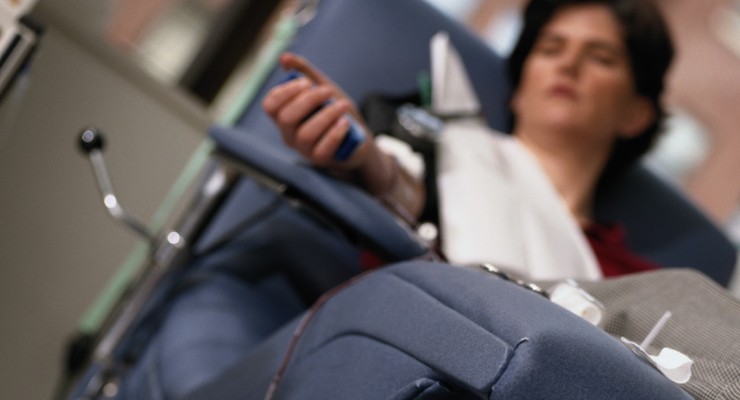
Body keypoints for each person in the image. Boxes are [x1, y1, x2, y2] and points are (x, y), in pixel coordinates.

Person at [262, 0, 675, 280]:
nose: (568, 64)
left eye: (601, 58)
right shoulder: (445, 161)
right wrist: (353, 148)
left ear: (635, 114)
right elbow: (398, 182)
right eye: (550, 49)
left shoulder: (634, 283)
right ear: (519, 87)